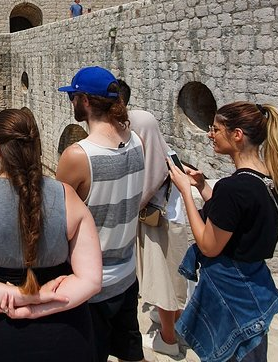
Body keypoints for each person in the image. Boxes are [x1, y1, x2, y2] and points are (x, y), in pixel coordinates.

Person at [0, 108, 102, 362]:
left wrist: (24, 298)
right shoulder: (68, 197)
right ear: (35, 147)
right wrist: (39, 302)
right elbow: (91, 280)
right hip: (63, 331)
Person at [168, 101, 278, 361]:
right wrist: (202, 187)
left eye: (216, 129)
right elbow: (237, 222)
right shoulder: (269, 178)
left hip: (234, 296)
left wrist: (186, 193)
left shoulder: (233, 188)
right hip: (255, 287)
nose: (210, 135)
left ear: (237, 135)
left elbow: (209, 245)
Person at [56, 66, 146, 362]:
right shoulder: (136, 143)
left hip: (90, 285)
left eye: (73, 97)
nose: (71, 104)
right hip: (127, 275)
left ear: (84, 100)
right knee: (130, 353)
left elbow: (57, 219)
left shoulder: (79, 156)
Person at [117, 80, 188, 357]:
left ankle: (168, 341)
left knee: (163, 281)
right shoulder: (162, 148)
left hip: (162, 220)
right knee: (166, 278)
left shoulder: (140, 124)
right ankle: (170, 326)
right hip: (165, 216)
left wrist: (129, 207)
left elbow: (148, 182)